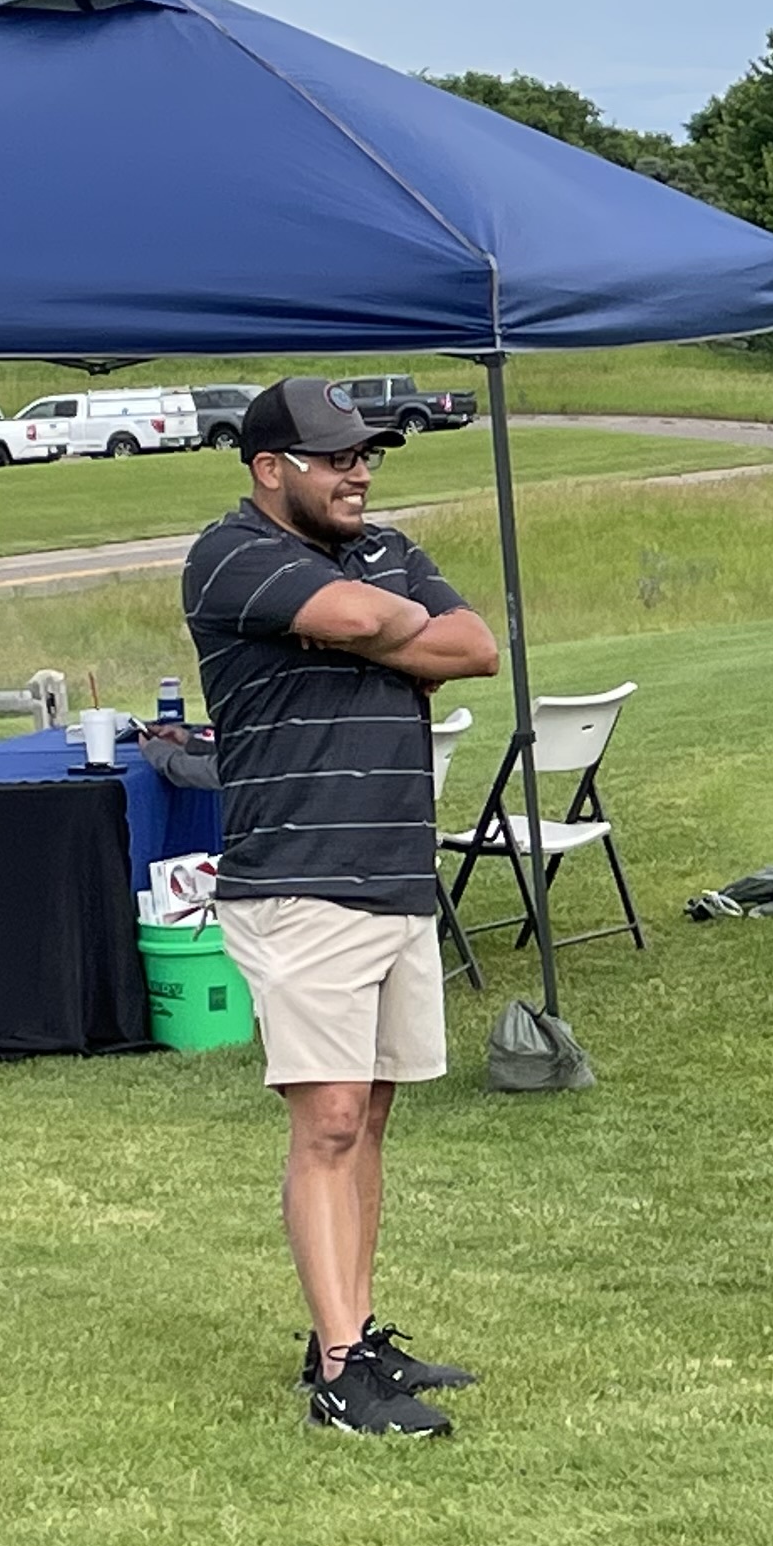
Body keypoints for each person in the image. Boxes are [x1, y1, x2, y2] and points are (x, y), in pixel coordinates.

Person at [181, 377, 500, 1439]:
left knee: (369, 1116)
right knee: (326, 1119)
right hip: (299, 876)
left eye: (366, 455)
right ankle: (338, 1376)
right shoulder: (229, 554)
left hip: (396, 872)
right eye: (335, 458)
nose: (358, 472)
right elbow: (379, 620)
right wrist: (387, 631)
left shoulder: (389, 547)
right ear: (270, 468)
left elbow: (475, 646)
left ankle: (354, 1333)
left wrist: (363, 631)